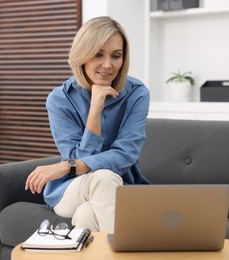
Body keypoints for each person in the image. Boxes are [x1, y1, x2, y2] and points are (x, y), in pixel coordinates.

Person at [25, 16, 150, 232]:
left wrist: (66, 165)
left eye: (116, 56)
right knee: (102, 178)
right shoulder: (60, 100)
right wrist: (94, 111)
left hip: (122, 187)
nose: (108, 65)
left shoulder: (137, 94)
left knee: (86, 215)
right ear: (82, 55)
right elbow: (79, 163)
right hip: (71, 188)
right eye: (98, 54)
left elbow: (125, 155)